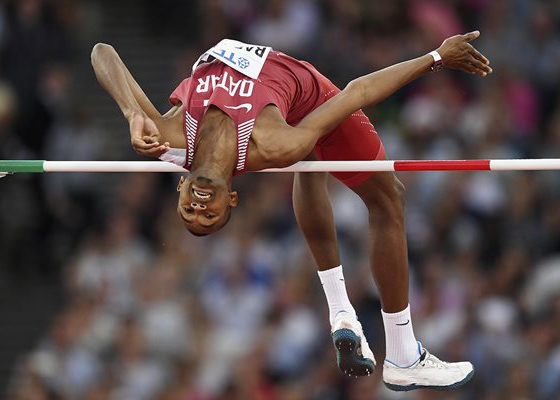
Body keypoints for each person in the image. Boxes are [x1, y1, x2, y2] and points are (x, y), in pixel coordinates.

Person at [91, 31, 492, 391]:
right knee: (386, 198)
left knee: (311, 162)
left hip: (283, 96)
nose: (198, 208)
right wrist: (436, 57)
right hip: (312, 94)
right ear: (231, 198)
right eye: (208, 216)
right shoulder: (273, 145)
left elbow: (103, 51)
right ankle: (403, 354)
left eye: (190, 212)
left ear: (179, 186)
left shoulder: (167, 138)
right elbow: (357, 92)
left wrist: (133, 114)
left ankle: (343, 316)